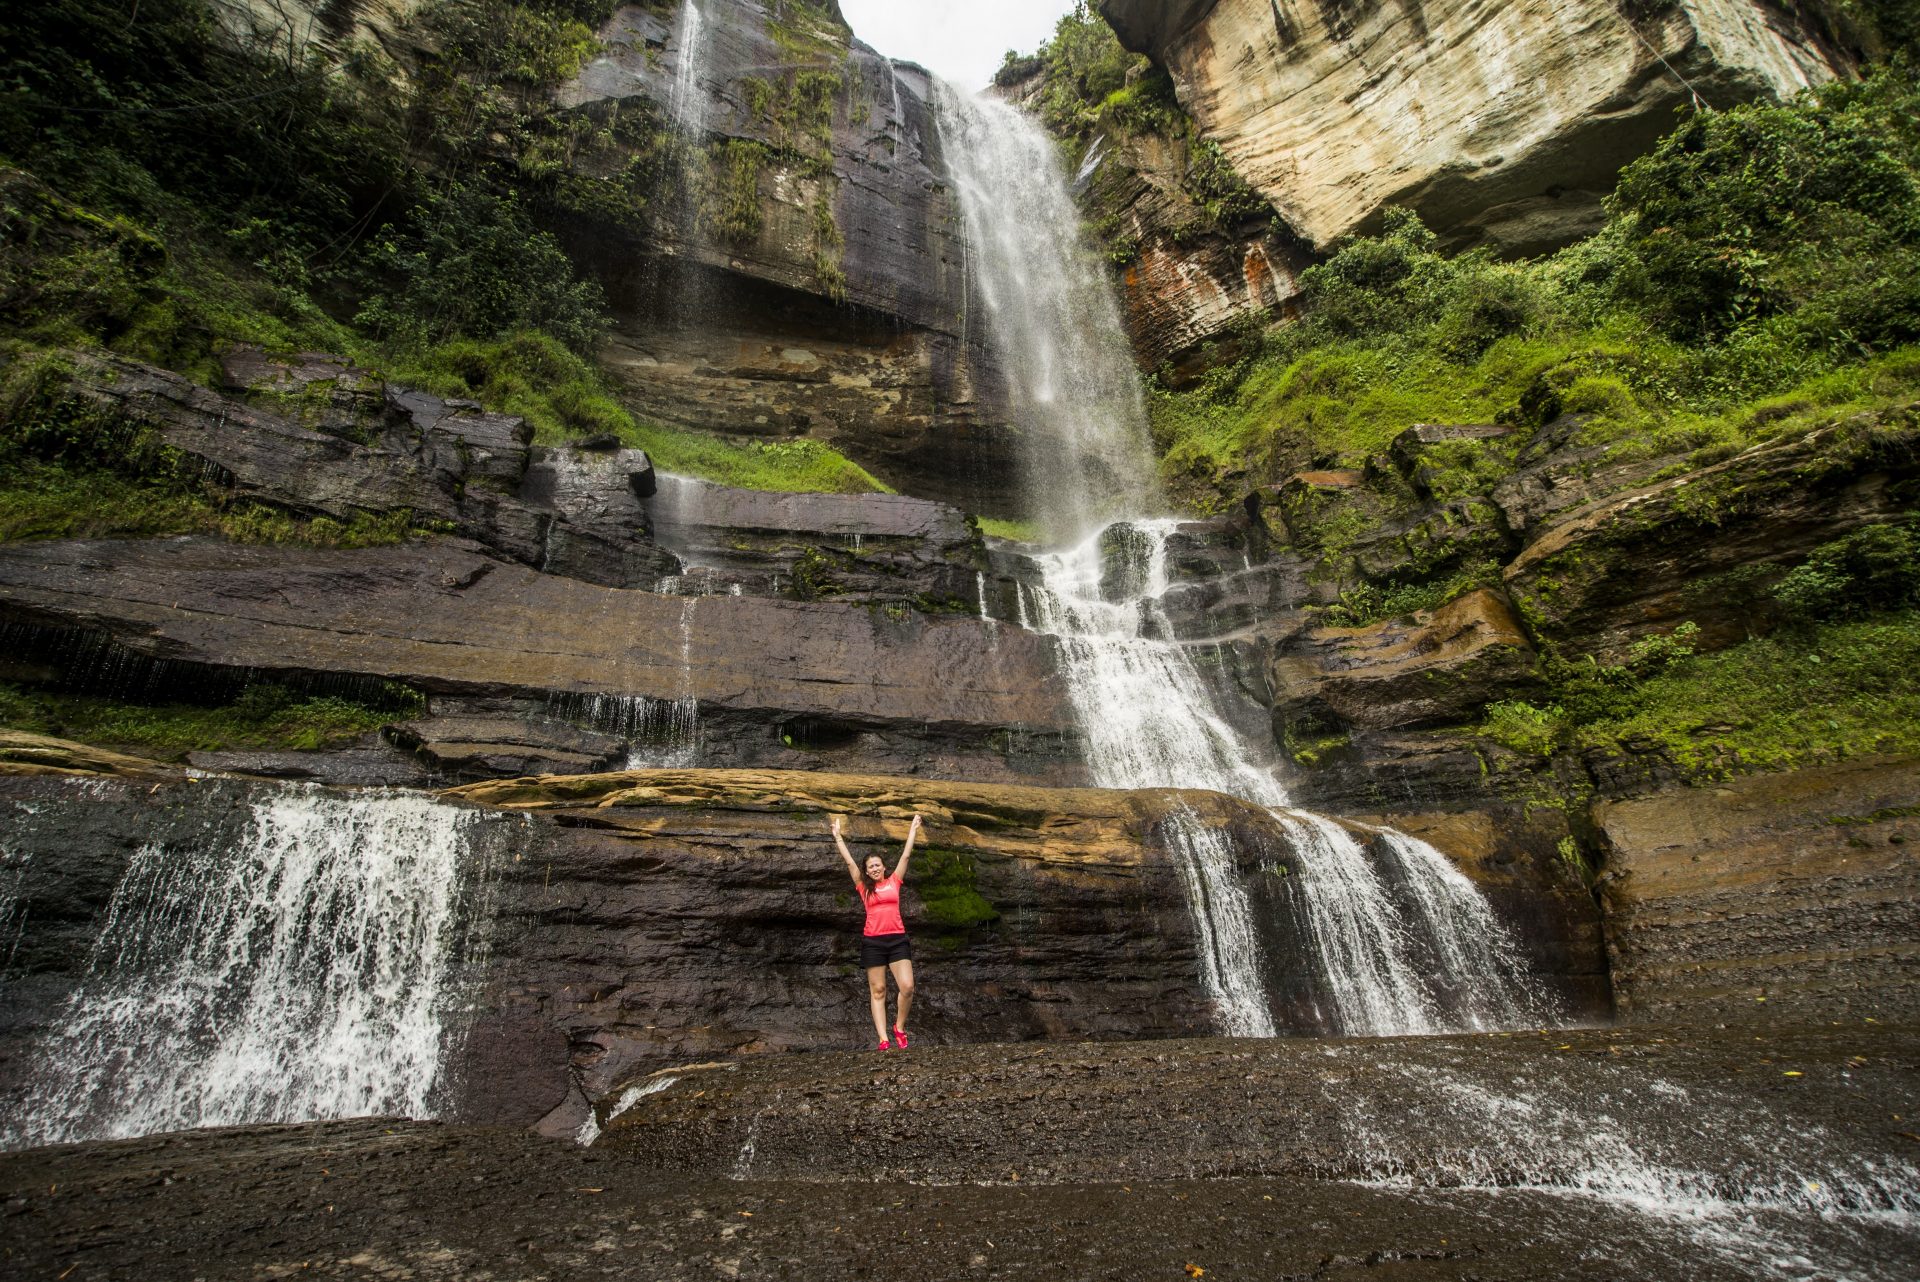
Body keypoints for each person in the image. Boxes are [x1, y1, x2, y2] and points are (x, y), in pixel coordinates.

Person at [830, 811, 921, 1051]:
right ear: (867, 871)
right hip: (873, 942)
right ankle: (883, 1039)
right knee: (878, 990)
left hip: (897, 940)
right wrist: (838, 837)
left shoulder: (894, 881)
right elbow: (850, 863)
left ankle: (899, 1027)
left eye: (877, 865)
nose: (874, 869)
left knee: (907, 987)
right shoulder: (863, 887)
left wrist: (912, 831)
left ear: (884, 867)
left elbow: (907, 855)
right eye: (870, 867)